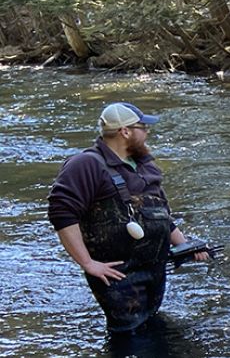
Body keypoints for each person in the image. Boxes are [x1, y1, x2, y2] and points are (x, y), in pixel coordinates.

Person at [47, 102, 207, 334]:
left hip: (153, 269)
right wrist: (88, 263)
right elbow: (61, 213)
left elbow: (162, 215)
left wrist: (184, 246)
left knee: (150, 330)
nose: (147, 132)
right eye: (143, 127)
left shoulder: (145, 165)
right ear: (125, 132)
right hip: (117, 274)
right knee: (129, 338)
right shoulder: (86, 164)